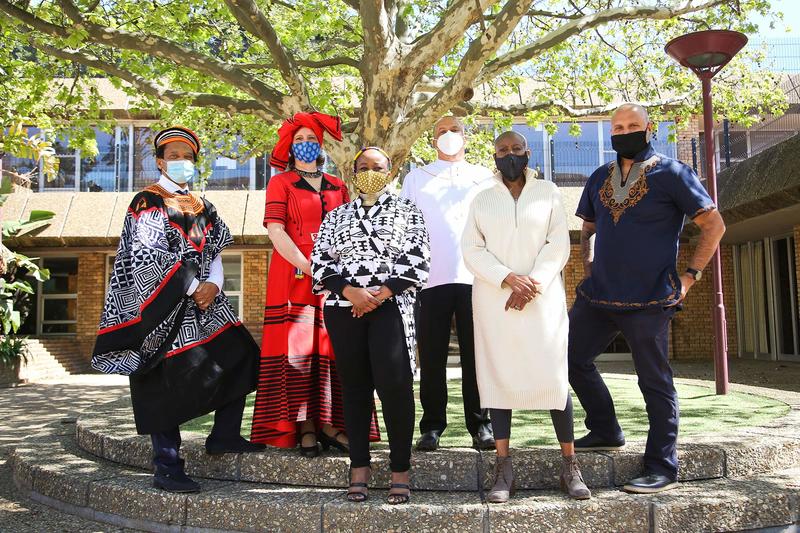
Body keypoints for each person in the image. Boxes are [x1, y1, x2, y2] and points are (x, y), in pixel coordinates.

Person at [92, 126, 264, 494]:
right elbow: (148, 253)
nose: (181, 162)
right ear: (159, 161)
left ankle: (224, 436)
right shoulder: (147, 201)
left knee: (243, 355)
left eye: (187, 156)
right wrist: (190, 286)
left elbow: (214, 251)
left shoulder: (204, 205)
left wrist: (213, 285)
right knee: (161, 380)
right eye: (173, 156)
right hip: (161, 303)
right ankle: (167, 466)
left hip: (206, 299)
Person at [569, 103, 726, 494]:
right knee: (568, 358)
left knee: (653, 381)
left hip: (651, 296)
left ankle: (661, 466)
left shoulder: (673, 173)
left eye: (632, 125)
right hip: (598, 293)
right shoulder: (597, 177)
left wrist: (690, 276)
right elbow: (588, 226)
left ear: (648, 128)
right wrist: (589, 261)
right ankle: (605, 428)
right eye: (617, 126)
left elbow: (714, 224)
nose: (624, 132)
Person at [462, 131, 591, 504]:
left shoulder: (549, 192)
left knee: (553, 376)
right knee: (499, 377)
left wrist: (531, 283)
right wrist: (508, 279)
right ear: (494, 155)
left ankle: (570, 466)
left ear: (528, 153)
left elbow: (558, 243)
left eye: (516, 149)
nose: (510, 155)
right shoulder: (482, 198)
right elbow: (471, 248)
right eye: (502, 150)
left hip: (541, 299)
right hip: (495, 300)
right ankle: (503, 468)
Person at [250, 112, 379, 456]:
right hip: (294, 275)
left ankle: (330, 425)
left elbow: (350, 232)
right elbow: (276, 231)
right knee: (299, 351)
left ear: (320, 146)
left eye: (312, 140)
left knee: (335, 349)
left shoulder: (338, 185)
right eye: (300, 140)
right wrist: (312, 269)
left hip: (337, 279)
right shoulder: (280, 183)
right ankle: (305, 426)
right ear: (290, 147)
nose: (306, 145)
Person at [311, 147, 430, 505]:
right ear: (352, 172)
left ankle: (400, 468)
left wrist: (378, 295)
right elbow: (320, 261)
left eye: (376, 167)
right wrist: (350, 291)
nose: (369, 172)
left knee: (395, 387)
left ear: (391, 172)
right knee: (355, 387)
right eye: (362, 167)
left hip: (391, 305)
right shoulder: (335, 216)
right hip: (342, 307)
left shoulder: (408, 210)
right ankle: (359, 466)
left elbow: (418, 258)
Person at [400, 116, 495, 452]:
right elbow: (405, 227)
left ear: (466, 138)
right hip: (430, 280)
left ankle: (481, 425)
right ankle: (432, 426)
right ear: (432, 140)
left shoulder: (483, 177)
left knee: (476, 357)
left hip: (477, 279)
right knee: (433, 358)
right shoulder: (415, 178)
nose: (449, 136)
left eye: (455, 130)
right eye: (442, 131)